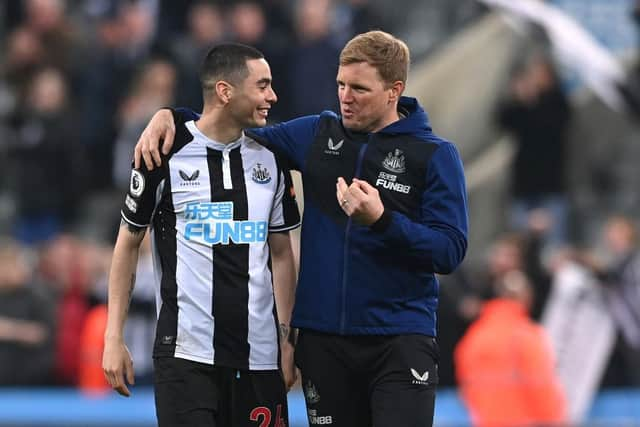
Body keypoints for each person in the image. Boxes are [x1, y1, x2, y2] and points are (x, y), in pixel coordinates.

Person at [134, 31, 468, 427]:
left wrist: (382, 220)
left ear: (394, 90)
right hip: (324, 345)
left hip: (398, 341)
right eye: (341, 85)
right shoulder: (316, 134)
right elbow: (230, 126)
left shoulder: (434, 154)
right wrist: (173, 116)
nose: (345, 96)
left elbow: (449, 250)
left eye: (359, 88)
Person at [102, 43, 300, 427]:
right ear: (226, 91)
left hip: (258, 358)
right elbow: (127, 243)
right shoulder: (162, 151)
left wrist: (287, 342)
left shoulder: (272, 156)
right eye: (262, 86)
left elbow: (281, 253)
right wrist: (113, 336)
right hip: (185, 356)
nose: (272, 96)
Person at [455, 270, 567, 427]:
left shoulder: (473, 338)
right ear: (526, 297)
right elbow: (542, 388)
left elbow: (466, 392)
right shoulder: (528, 336)